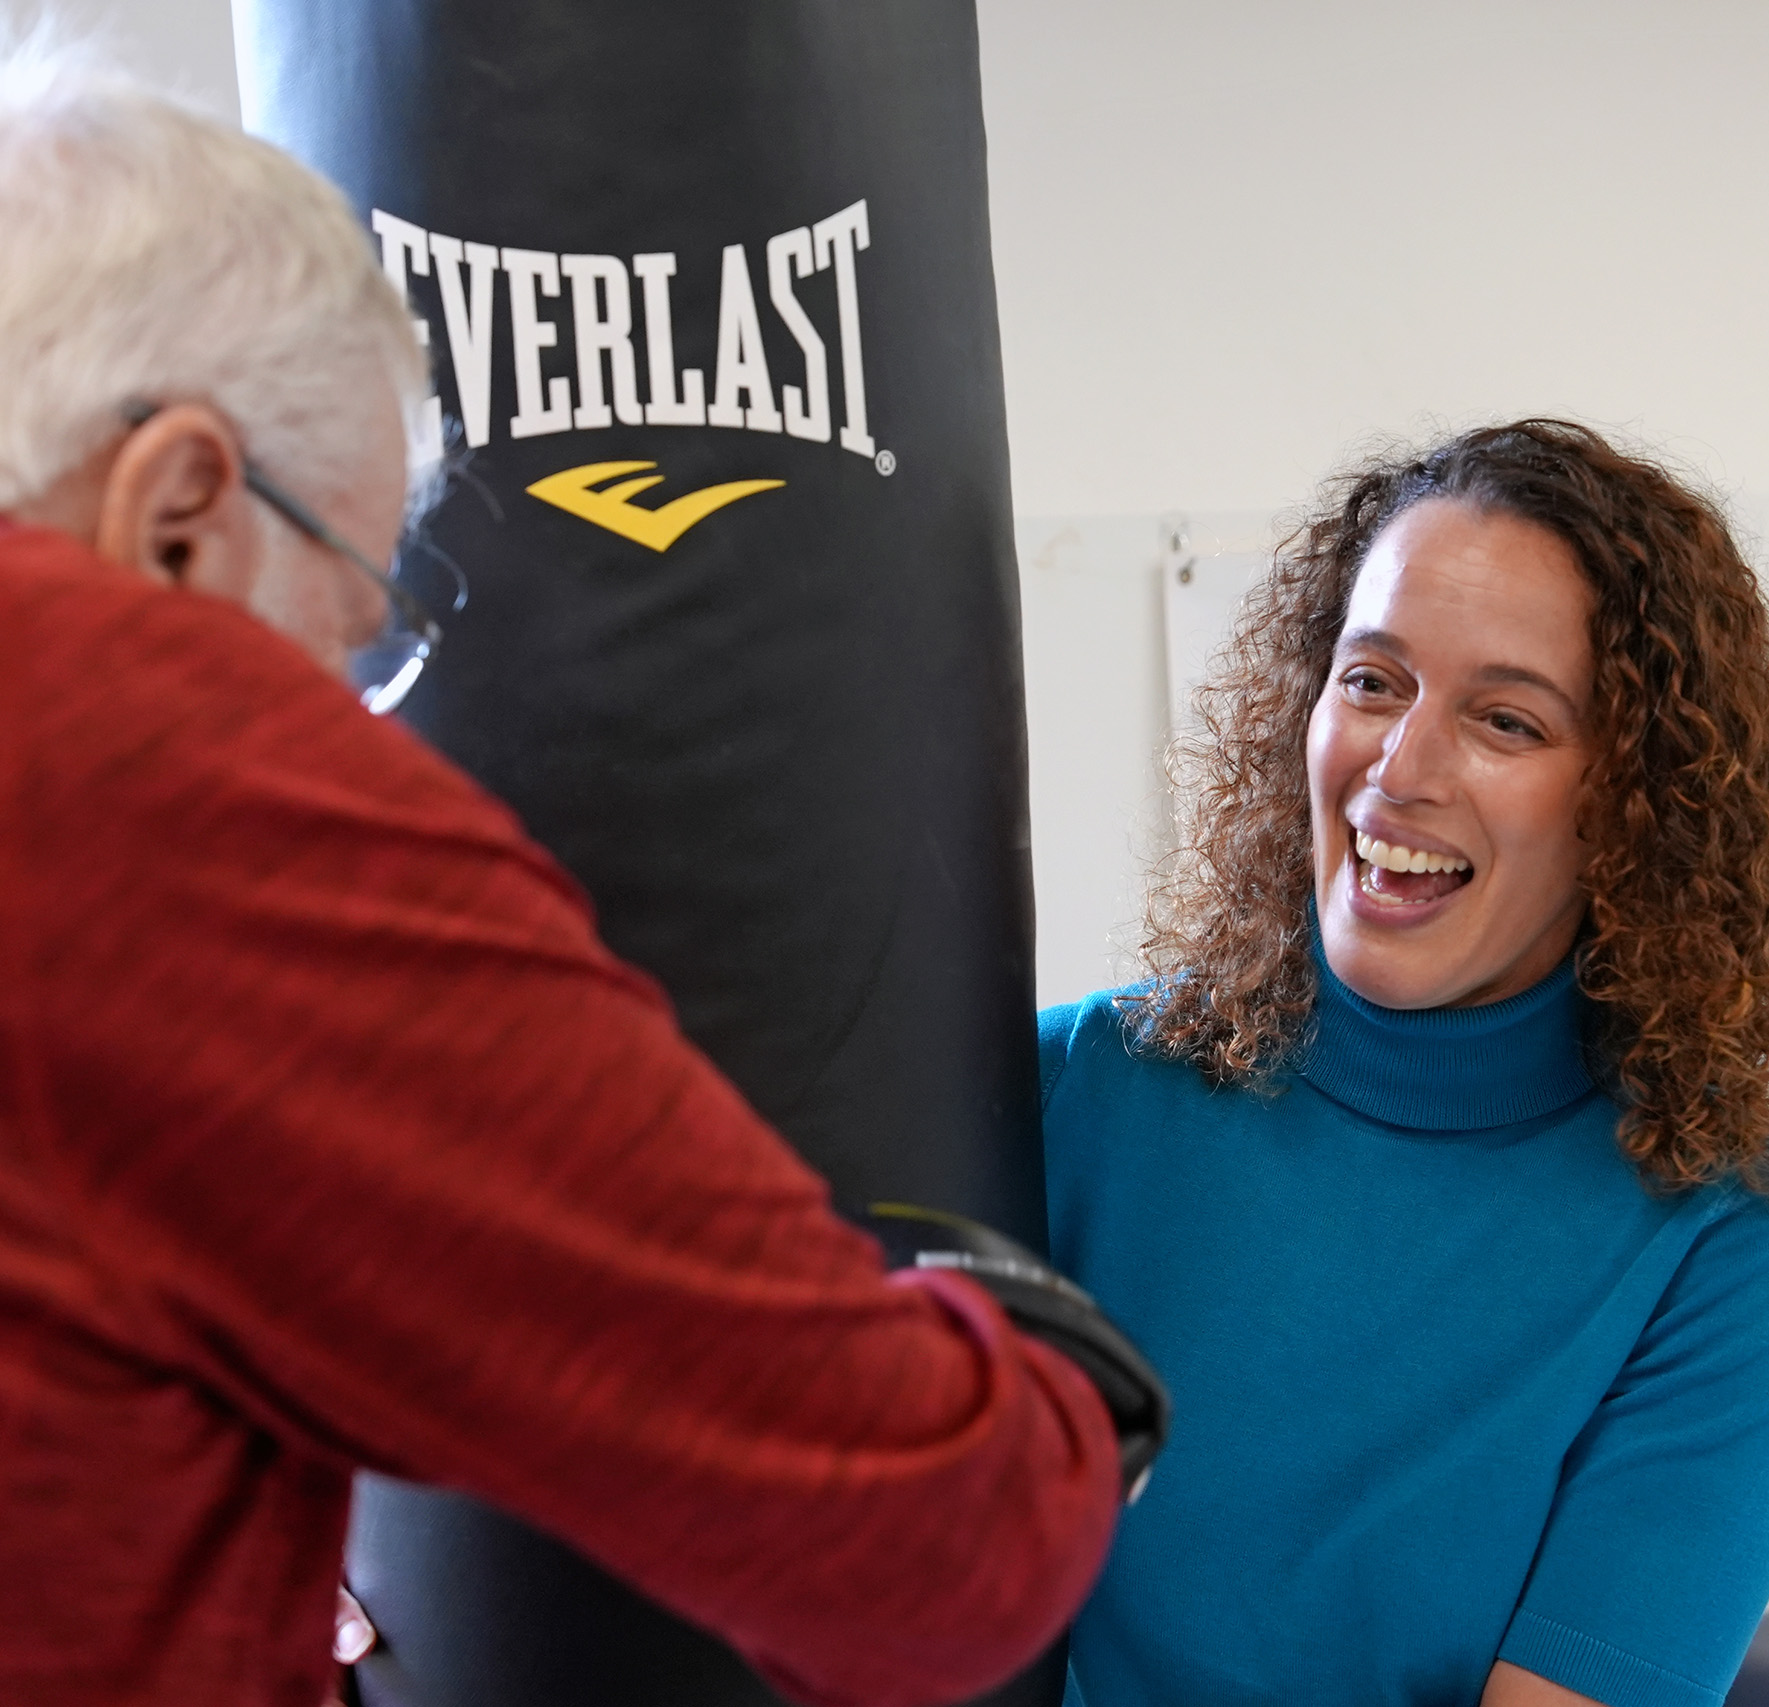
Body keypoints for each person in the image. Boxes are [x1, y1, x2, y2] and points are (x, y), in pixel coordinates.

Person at [0, 49, 1141, 1707]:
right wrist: (1040, 1396)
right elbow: (918, 1553)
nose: (347, 703)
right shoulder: (163, 766)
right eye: (350, 619)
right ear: (180, 513)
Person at [1041, 420, 1769, 1707]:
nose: (1401, 769)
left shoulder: (1736, 1230)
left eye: (1505, 720)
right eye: (1371, 681)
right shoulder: (1076, 1091)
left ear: (1635, 805)